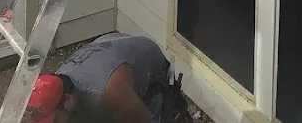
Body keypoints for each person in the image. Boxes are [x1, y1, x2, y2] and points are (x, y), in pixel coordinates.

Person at [26, 32, 190, 123]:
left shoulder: (108, 93)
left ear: (67, 99)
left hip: (149, 65)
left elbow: (143, 119)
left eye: (53, 122)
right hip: (111, 48)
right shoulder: (58, 84)